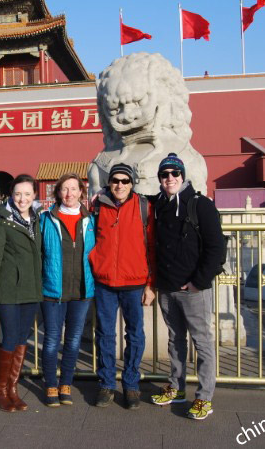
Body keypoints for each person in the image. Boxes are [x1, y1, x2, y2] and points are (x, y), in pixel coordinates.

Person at [150, 153, 226, 421]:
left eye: (174, 174)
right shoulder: (158, 204)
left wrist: (199, 282)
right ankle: (177, 387)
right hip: (167, 287)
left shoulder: (200, 205)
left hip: (193, 288)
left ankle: (204, 397)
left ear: (182, 176)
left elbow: (217, 246)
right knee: (174, 340)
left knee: (202, 342)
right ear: (159, 179)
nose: (170, 178)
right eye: (164, 174)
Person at [88, 162, 155, 409]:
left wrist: (150, 285)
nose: (120, 185)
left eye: (125, 181)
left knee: (135, 335)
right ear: (109, 182)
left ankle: (131, 384)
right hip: (105, 281)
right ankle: (106, 383)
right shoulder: (97, 206)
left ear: (132, 184)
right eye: (115, 180)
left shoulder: (144, 207)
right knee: (105, 334)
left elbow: (152, 247)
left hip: (134, 282)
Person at [0, 174, 42, 412]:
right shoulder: (0, 222)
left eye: (27, 194)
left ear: (34, 196)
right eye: (18, 194)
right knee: (9, 338)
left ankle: (13, 389)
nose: (22, 199)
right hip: (8, 290)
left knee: (21, 339)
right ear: (11, 195)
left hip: (31, 289)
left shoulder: (37, 220)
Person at [39, 173, 96, 407]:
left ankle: (66, 384)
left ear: (82, 192)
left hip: (82, 290)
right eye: (64, 189)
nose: (69, 194)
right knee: (52, 340)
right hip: (53, 290)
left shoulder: (91, 221)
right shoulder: (45, 219)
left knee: (72, 341)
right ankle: (51, 383)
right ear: (58, 192)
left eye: (74, 189)